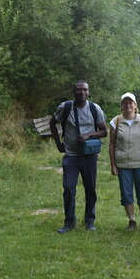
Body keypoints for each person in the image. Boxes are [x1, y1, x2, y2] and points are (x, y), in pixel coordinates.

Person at [50, 80, 107, 233]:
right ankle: (69, 223)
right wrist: (58, 144)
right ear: (73, 92)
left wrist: (89, 135)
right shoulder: (65, 107)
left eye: (85, 90)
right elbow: (52, 123)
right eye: (78, 90)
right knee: (68, 188)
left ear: (88, 92)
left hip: (89, 156)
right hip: (71, 156)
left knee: (90, 189)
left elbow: (104, 131)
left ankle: (90, 222)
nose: (82, 93)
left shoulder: (95, 109)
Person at [109, 93, 140, 232]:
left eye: (131, 102)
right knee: (126, 194)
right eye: (125, 103)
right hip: (122, 164)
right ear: (121, 106)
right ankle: (132, 221)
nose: (128, 105)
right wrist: (113, 165)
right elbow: (111, 144)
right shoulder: (115, 122)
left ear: (135, 105)